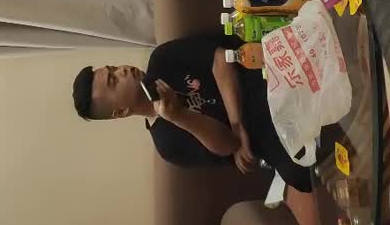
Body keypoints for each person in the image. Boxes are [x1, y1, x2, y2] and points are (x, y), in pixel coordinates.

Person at [72, 31, 312, 193]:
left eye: (114, 68)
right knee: (298, 174)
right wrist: (180, 116)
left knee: (290, 83)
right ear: (121, 111)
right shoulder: (167, 143)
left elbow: (220, 60)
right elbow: (229, 145)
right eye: (114, 80)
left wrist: (236, 124)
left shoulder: (162, 59)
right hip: (261, 133)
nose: (123, 70)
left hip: (256, 77)